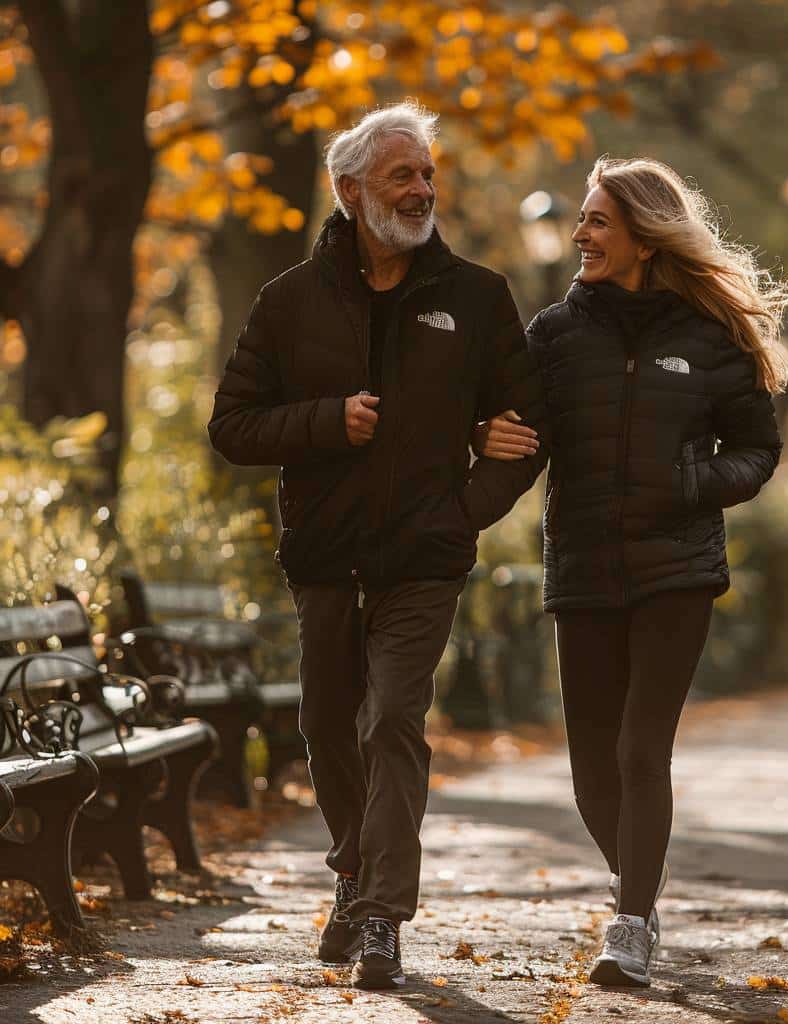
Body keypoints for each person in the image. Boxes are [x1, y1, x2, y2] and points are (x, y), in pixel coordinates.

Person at [208, 103, 546, 990]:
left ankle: (381, 918)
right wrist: (328, 422)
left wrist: (463, 510)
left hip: (424, 557)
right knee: (327, 725)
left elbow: (525, 427)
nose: (423, 189)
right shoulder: (288, 301)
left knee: (393, 717)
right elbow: (233, 427)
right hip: (325, 552)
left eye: (427, 173)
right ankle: (353, 876)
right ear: (352, 190)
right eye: (403, 175)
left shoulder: (477, 297)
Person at [475, 156, 788, 987]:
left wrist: (696, 482)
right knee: (589, 773)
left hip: (677, 570)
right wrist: (481, 449)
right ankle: (642, 891)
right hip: (582, 567)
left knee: (641, 752)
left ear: (644, 238)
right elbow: (520, 439)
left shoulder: (709, 337)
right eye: (580, 221)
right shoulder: (553, 336)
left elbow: (760, 449)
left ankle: (626, 924)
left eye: (597, 222)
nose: (581, 235)